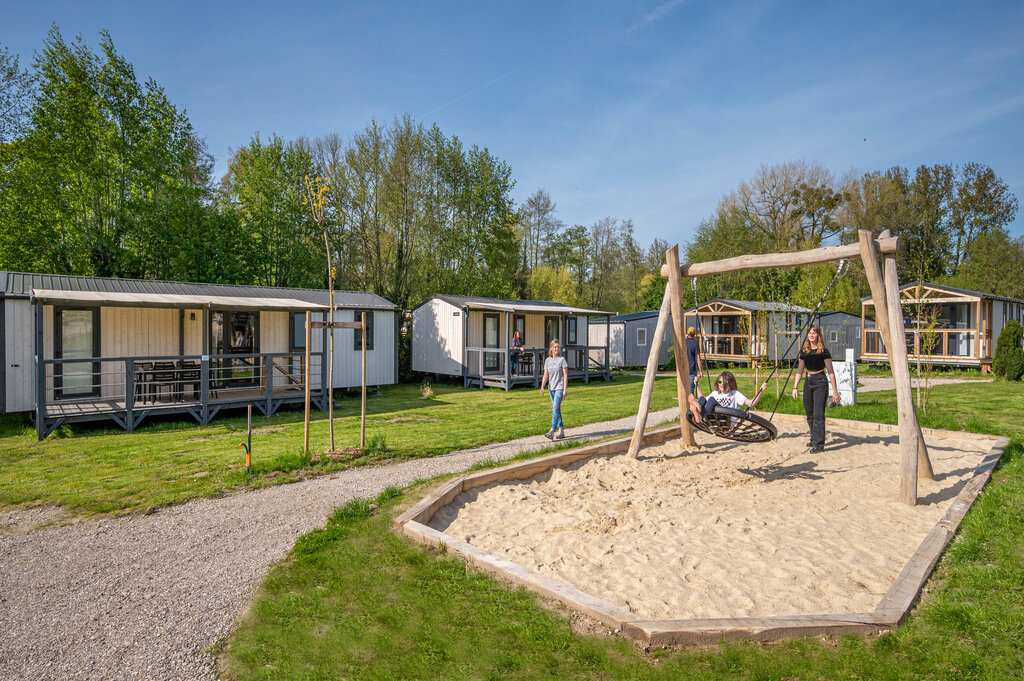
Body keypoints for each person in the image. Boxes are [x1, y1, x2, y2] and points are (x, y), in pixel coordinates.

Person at [791, 325, 841, 452]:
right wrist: (795, 387)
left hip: (820, 382)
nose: (811, 335)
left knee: (818, 414)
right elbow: (800, 370)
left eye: (814, 333)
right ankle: (814, 438)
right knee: (809, 414)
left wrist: (835, 391)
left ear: (818, 335)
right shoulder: (804, 352)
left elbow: (830, 371)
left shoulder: (823, 351)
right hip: (808, 382)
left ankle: (819, 445)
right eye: (809, 333)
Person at [687, 370, 767, 424]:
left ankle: (699, 414)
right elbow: (702, 397)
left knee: (711, 400)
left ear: (730, 383)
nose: (721, 384)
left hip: (726, 421)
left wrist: (761, 390)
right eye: (719, 381)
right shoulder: (716, 393)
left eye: (724, 382)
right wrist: (697, 385)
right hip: (714, 420)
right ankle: (698, 408)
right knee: (703, 399)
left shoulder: (735, 394)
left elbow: (751, 403)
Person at [539, 338, 569, 439]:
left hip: (559, 387)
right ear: (551, 348)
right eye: (555, 347)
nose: (556, 349)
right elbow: (545, 375)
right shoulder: (547, 360)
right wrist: (542, 387)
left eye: (558, 347)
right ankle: (561, 430)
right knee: (557, 409)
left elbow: (565, 375)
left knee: (555, 408)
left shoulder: (562, 360)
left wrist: (565, 389)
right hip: (551, 388)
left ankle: (552, 430)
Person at [685, 326, 703, 394]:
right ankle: (691, 404)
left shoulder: (683, 342)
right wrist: (701, 371)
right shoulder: (695, 344)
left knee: (684, 390)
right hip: (692, 370)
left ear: (687, 333)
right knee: (691, 390)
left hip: (684, 369)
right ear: (694, 335)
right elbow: (698, 358)